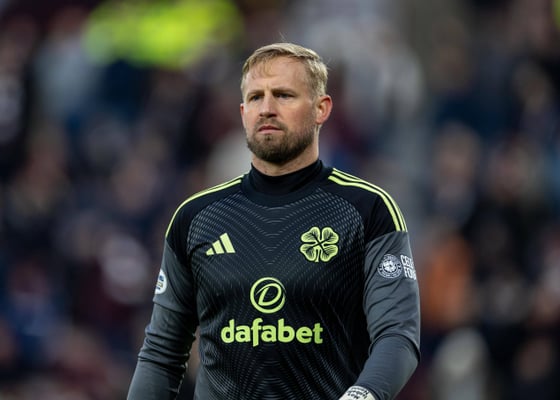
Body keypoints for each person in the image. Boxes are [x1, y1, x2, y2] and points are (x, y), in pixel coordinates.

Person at [127, 42, 420, 400]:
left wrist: (362, 396)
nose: (266, 108)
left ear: (321, 109)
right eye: (255, 98)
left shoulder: (368, 210)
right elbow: (161, 354)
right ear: (243, 113)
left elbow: (397, 336)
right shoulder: (195, 219)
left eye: (283, 95)